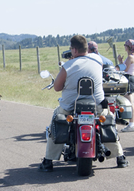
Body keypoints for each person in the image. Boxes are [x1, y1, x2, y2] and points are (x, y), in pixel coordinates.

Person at [39, 35, 128, 172]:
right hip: (96, 104)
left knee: (56, 123)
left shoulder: (67, 66)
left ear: (74, 49)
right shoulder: (98, 60)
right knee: (108, 120)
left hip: (70, 107)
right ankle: (120, 157)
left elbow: (57, 87)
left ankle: (48, 160)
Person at [117, 39, 134, 132]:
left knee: (129, 101)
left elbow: (125, 70)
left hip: (128, 78)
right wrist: (121, 61)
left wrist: (120, 62)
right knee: (129, 101)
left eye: (125, 45)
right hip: (129, 78)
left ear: (128, 47)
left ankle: (131, 123)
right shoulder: (130, 57)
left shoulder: (130, 57)